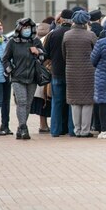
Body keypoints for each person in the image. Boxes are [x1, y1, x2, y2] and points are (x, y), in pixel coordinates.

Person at [3, 18, 45, 140]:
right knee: (21, 102)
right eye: (24, 27)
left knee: (28, 104)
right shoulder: (12, 42)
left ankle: (20, 128)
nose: (26, 30)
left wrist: (38, 52)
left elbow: (44, 57)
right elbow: (5, 59)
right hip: (17, 77)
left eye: (28, 27)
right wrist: (10, 69)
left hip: (32, 77)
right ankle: (23, 127)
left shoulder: (35, 41)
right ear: (19, 28)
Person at [62, 11, 97, 138]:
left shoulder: (67, 35)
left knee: (75, 102)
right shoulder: (91, 35)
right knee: (87, 101)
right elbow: (96, 52)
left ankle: (77, 130)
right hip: (88, 71)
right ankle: (85, 130)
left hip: (71, 71)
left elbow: (64, 54)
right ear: (86, 22)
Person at [44, 9, 74, 137]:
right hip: (72, 73)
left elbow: (46, 54)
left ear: (61, 19)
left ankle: (55, 130)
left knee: (57, 102)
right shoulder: (74, 34)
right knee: (72, 103)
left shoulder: (52, 34)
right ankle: (72, 130)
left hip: (56, 72)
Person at [31, 19, 53, 133]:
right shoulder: (49, 38)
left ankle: (43, 125)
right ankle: (48, 126)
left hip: (39, 75)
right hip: (47, 74)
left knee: (41, 101)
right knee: (48, 100)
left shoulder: (37, 39)